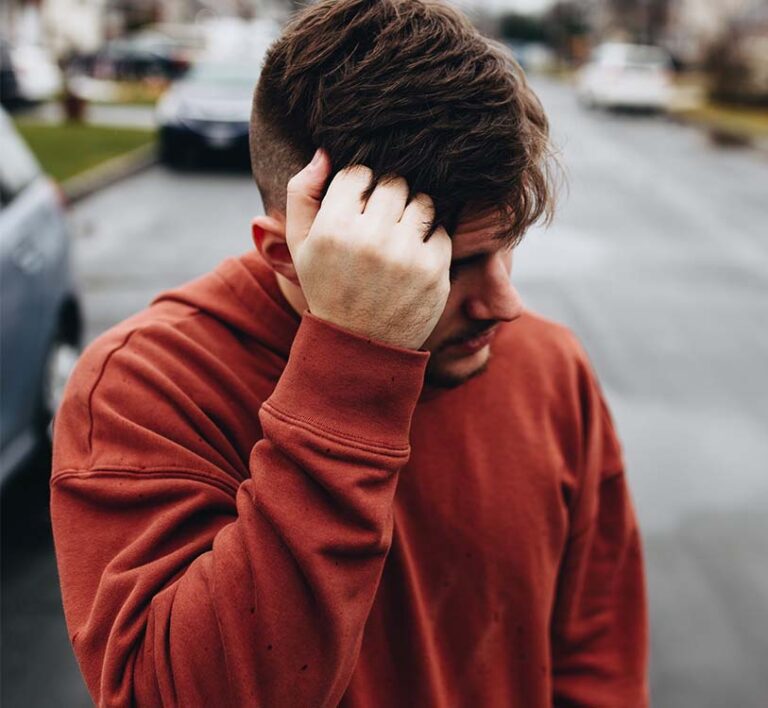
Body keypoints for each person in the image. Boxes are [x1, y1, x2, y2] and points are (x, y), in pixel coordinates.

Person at [50, 1, 649, 706]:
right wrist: (353, 366)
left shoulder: (549, 365)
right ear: (288, 253)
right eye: (447, 270)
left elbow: (597, 663)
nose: (504, 304)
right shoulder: (147, 388)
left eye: (505, 250)